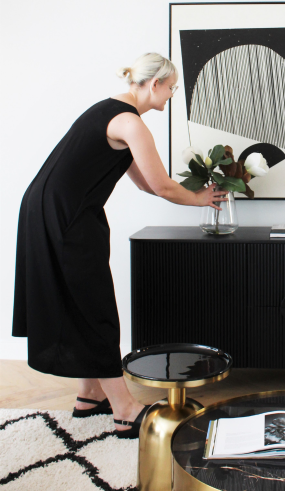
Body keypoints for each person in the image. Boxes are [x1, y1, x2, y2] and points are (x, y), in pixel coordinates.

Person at [12, 53, 225, 439]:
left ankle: (90, 394)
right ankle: (125, 410)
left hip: (49, 209)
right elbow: (161, 186)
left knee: (80, 301)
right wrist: (201, 199)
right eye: (172, 87)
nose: (172, 95)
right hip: (67, 217)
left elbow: (144, 182)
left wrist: (192, 194)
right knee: (95, 308)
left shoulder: (115, 115)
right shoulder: (130, 122)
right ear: (154, 83)